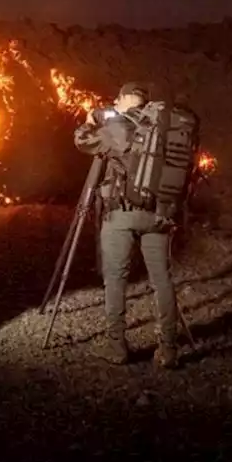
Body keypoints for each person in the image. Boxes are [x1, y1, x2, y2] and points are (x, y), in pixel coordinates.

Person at [74, 82, 181, 369]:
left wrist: (90, 121)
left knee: (116, 278)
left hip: (122, 215)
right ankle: (168, 348)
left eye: (116, 101)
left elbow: (82, 141)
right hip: (159, 215)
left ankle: (116, 346)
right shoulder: (167, 130)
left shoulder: (119, 127)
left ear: (122, 100)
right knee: (162, 281)